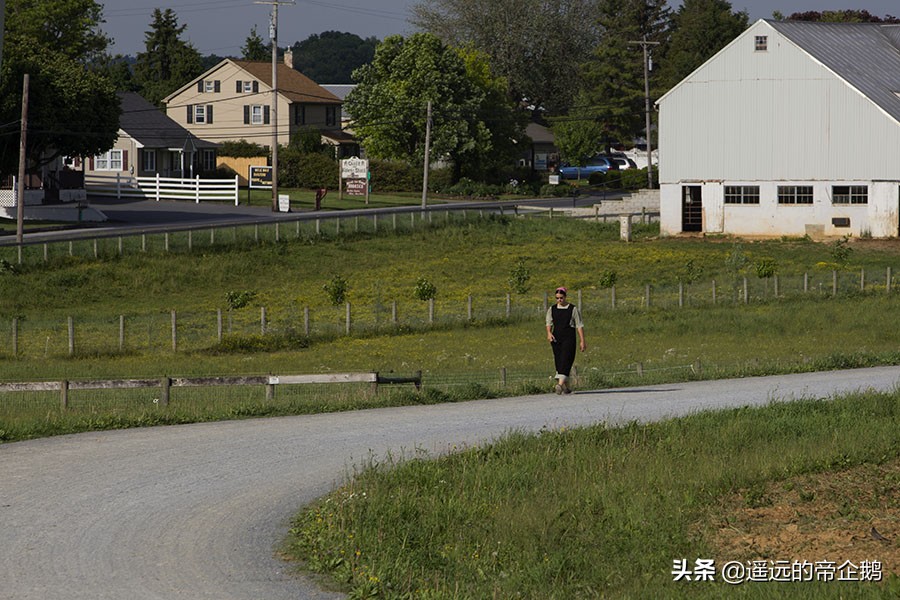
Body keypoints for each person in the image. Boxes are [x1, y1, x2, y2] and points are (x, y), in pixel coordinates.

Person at [545, 287, 586, 394]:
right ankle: (565, 387)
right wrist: (549, 333)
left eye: (561, 298)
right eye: (557, 298)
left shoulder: (573, 309)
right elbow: (549, 323)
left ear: (565, 297)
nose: (559, 300)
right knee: (559, 361)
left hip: (569, 337)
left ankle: (559, 384)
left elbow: (579, 325)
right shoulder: (552, 309)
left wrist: (582, 341)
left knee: (566, 359)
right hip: (556, 338)